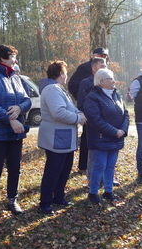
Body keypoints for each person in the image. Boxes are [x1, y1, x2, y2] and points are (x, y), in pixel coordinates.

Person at [0, 44, 31, 222]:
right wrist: (10, 119)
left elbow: (27, 100)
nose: (16, 60)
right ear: (3, 58)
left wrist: (19, 107)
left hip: (16, 132)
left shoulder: (15, 76)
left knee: (15, 168)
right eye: (13, 57)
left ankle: (12, 200)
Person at [37, 61, 87, 215]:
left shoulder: (59, 89)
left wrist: (78, 113)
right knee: (53, 170)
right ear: (60, 74)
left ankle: (58, 196)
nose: (66, 76)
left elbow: (69, 109)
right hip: (56, 137)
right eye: (65, 73)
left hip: (64, 137)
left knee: (64, 168)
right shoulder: (52, 89)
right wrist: (78, 118)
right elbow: (58, 112)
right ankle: (45, 202)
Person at [83, 69, 129, 204]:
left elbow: (125, 114)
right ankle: (93, 192)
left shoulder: (117, 95)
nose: (114, 81)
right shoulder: (92, 96)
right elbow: (95, 119)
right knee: (99, 165)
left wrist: (123, 130)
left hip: (116, 138)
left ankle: (108, 192)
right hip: (101, 138)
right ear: (102, 81)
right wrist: (114, 131)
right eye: (111, 79)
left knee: (110, 166)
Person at [68, 47, 109, 175]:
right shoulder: (85, 68)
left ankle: (98, 168)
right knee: (87, 138)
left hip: (103, 111)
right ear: (93, 56)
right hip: (88, 110)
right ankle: (83, 166)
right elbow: (73, 85)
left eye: (105, 56)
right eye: (100, 55)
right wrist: (83, 99)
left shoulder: (106, 70)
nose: (103, 57)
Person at [77, 58, 107, 183]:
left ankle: (106, 177)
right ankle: (92, 179)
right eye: (102, 65)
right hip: (92, 123)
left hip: (106, 123)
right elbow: (81, 104)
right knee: (92, 153)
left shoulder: (107, 82)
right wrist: (93, 118)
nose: (105, 68)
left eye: (106, 65)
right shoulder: (85, 82)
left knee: (106, 150)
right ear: (94, 68)